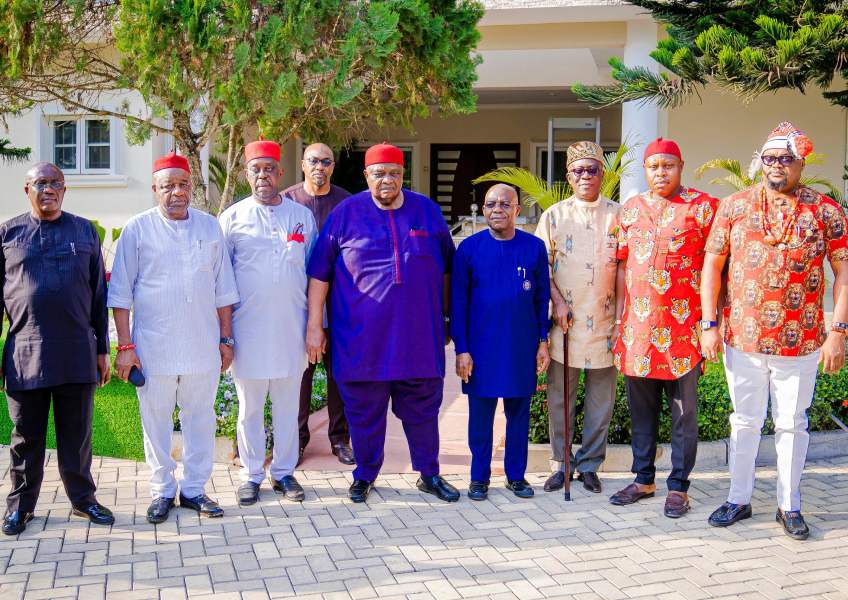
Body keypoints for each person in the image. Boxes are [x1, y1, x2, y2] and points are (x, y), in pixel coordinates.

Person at [701, 122, 848, 540]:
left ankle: (790, 504)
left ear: (801, 162)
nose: (777, 165)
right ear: (760, 162)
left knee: (791, 423)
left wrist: (837, 331)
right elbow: (712, 265)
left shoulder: (824, 210)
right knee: (744, 421)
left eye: (786, 158)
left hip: (800, 340)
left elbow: (843, 272)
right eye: (770, 158)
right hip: (742, 339)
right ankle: (738, 498)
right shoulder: (733, 206)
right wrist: (708, 323)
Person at [306, 142, 458, 503]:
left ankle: (429, 474)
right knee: (364, 416)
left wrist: (449, 320)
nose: (386, 180)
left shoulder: (427, 212)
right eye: (378, 173)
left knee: (422, 414)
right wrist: (315, 326)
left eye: (393, 173)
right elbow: (319, 275)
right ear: (366, 176)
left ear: (403, 175)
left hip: (418, 340)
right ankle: (365, 475)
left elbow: (450, 270)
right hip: (361, 343)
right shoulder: (345, 214)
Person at [109, 152, 239, 524]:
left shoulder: (209, 226)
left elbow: (223, 289)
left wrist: (226, 340)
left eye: (183, 185)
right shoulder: (137, 228)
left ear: (190, 187)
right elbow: (119, 294)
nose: (177, 192)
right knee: (156, 421)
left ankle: (195, 489)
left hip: (202, 345)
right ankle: (162, 490)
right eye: (168, 186)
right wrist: (126, 347)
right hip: (154, 347)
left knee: (201, 420)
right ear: (155, 190)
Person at [1, 162, 113, 535]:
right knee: (24, 439)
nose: (48, 189)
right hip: (25, 354)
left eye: (55, 184)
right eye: (40, 183)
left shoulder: (84, 231)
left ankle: (83, 500)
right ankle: (20, 507)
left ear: (64, 191)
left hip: (77, 352)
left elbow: (99, 294)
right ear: (27, 190)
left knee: (77, 436)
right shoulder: (7, 233)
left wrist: (102, 350)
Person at [609, 138, 719, 518]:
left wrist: (711, 323)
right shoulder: (630, 211)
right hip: (637, 330)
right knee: (641, 412)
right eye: (654, 167)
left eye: (668, 166)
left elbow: (715, 269)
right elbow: (622, 267)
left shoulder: (704, 208)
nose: (661, 173)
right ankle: (643, 478)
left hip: (685, 332)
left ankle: (679, 486)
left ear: (681, 165)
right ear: (645, 170)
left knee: (683, 414)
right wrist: (618, 321)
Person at [220, 139, 317, 506]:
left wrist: (314, 328)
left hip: (292, 330)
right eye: (255, 169)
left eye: (269, 169)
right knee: (249, 410)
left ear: (280, 173)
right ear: (247, 174)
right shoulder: (231, 218)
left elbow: (314, 274)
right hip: (248, 333)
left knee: (288, 408)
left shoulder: (300, 217)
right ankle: (251, 475)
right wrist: (225, 336)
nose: (263, 175)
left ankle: (284, 472)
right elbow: (221, 282)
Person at [452, 184, 550, 500]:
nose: (498, 209)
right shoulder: (468, 249)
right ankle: (478, 477)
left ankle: (516, 476)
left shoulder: (534, 248)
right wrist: (462, 349)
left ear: (517, 210)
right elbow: (458, 304)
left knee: (518, 416)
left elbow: (541, 299)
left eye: (505, 204)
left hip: (520, 348)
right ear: (483, 209)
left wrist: (542, 341)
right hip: (480, 349)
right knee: (480, 418)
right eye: (491, 204)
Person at [534, 141, 621, 494]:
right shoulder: (554, 215)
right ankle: (561, 464)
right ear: (568, 176)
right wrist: (557, 301)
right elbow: (543, 267)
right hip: (565, 324)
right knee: (560, 398)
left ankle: (589, 466)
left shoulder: (620, 214)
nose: (586, 176)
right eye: (578, 170)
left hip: (605, 322)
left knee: (602, 401)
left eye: (593, 169)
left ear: (603, 173)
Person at [283, 143, 353, 466]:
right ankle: (297, 439)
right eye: (313, 161)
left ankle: (340, 439)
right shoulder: (287, 201)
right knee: (301, 375)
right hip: (298, 302)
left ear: (333, 166)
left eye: (326, 161)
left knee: (339, 375)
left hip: (339, 304)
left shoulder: (346, 203)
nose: (319, 167)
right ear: (303, 164)